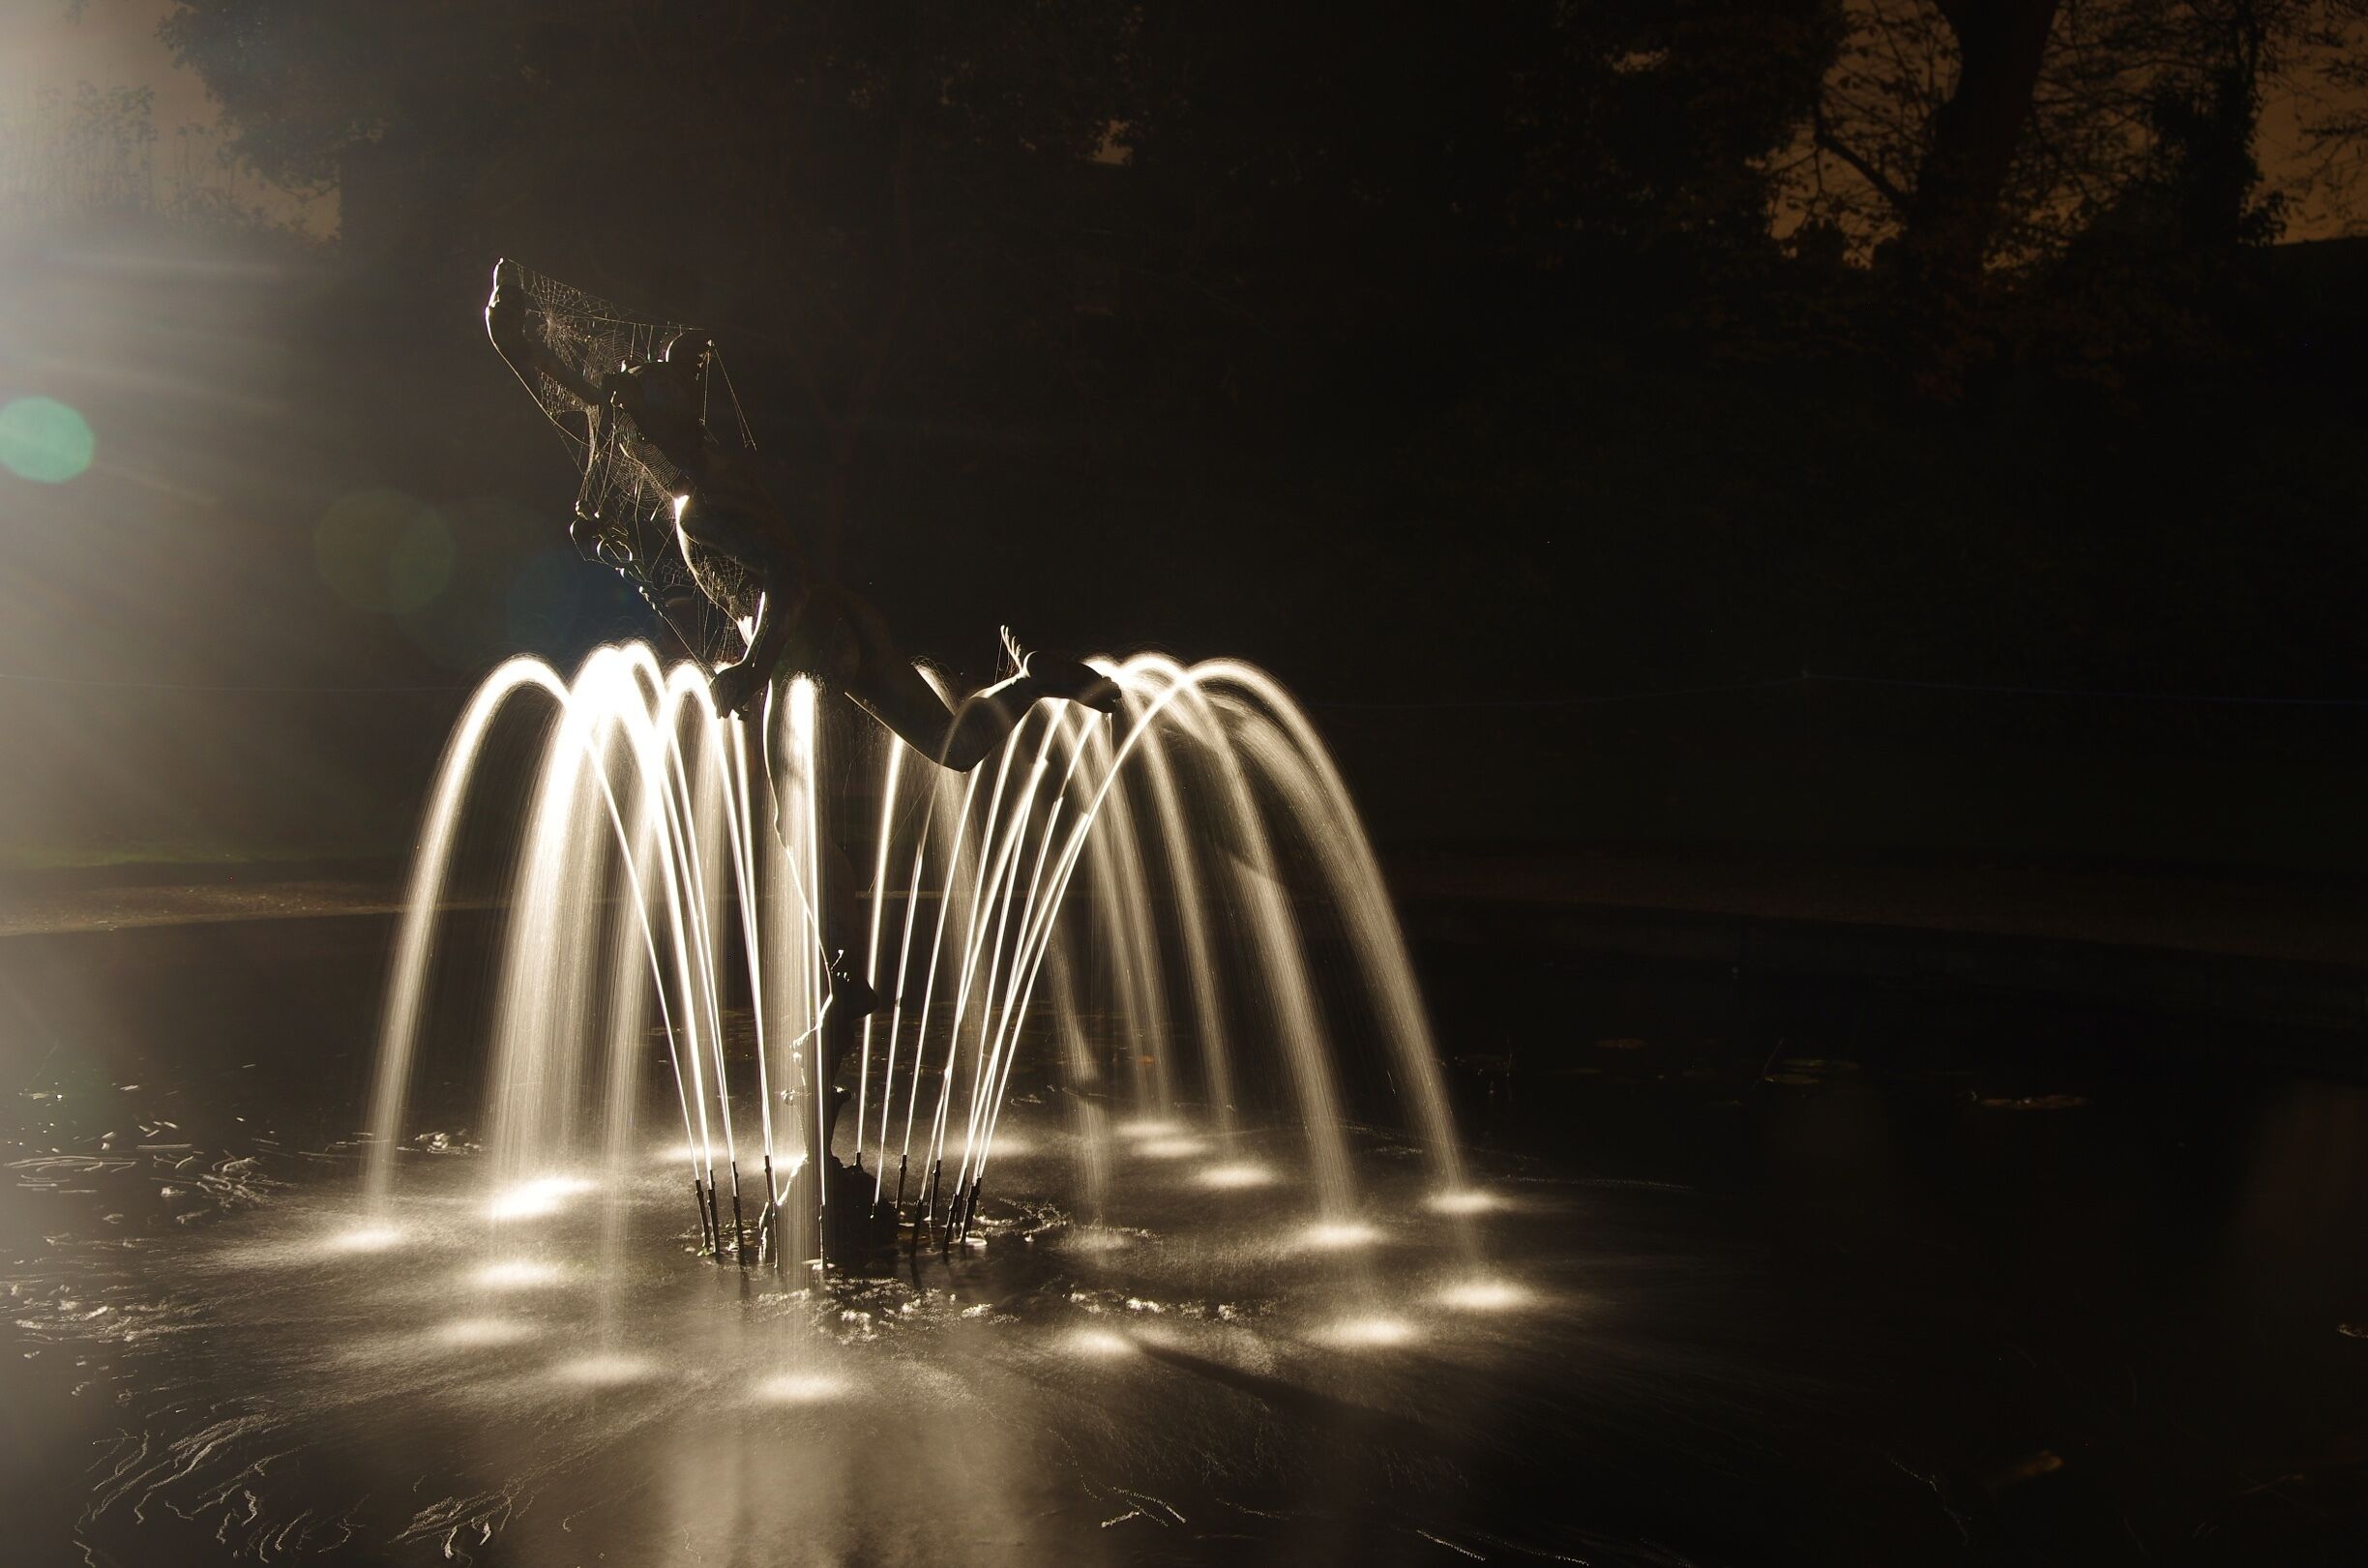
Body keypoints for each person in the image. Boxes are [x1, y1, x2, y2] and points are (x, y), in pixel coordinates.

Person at [484, 257, 1118, 1120]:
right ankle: (1032, 682)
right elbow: (601, 410)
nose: (622, 420)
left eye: (638, 409)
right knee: (954, 747)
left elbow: (778, 578)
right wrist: (520, 348)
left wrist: (751, 665)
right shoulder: (711, 467)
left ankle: (846, 981)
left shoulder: (699, 502)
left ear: (660, 423)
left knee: (797, 826)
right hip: (851, 625)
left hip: (798, 651)